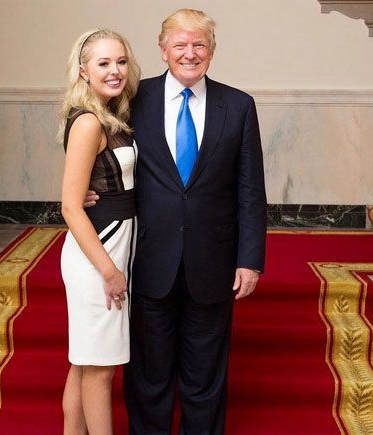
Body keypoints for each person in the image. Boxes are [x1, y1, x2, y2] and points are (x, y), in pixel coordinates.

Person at [87, 9, 267, 434]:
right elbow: (94, 139)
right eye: (180, 45)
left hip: (214, 261)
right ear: (163, 51)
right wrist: (86, 189)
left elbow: (251, 189)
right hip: (148, 258)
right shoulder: (134, 100)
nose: (190, 53)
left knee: (205, 379)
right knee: (149, 377)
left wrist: (250, 260)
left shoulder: (238, 106)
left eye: (199, 44)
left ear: (212, 51)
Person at [58, 28, 140, 435]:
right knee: (100, 370)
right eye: (103, 63)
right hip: (98, 256)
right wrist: (109, 271)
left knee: (84, 364)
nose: (115, 70)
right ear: (83, 70)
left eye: (121, 61)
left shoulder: (111, 114)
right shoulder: (89, 122)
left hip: (111, 245)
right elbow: (70, 206)